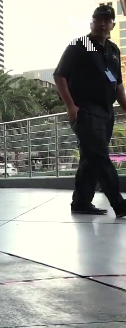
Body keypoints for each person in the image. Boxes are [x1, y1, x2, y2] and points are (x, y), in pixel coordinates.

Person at [53, 4, 126, 218]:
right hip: (85, 110)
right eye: (98, 19)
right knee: (100, 157)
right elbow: (59, 76)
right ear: (91, 22)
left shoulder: (113, 50)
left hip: (106, 112)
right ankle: (119, 204)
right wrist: (70, 106)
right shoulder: (80, 44)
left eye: (106, 20)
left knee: (90, 158)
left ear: (112, 24)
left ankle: (81, 202)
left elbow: (118, 85)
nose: (102, 23)